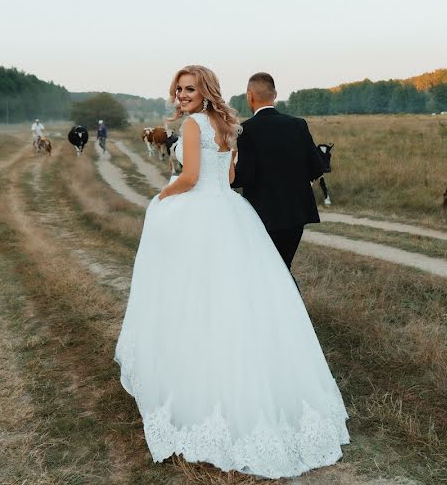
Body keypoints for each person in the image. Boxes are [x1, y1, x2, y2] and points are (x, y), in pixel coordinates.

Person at [114, 65, 348, 479]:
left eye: (189, 89)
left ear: (204, 92)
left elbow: (188, 177)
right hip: (231, 213)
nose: (182, 95)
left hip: (202, 214)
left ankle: (202, 394)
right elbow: (229, 175)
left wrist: (161, 196)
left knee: (195, 299)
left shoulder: (191, 125)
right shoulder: (226, 125)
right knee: (242, 300)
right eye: (179, 89)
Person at [231, 72, 325, 269]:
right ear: (275, 95)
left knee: (269, 272)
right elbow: (317, 166)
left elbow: (244, 177)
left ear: (250, 96)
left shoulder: (246, 130)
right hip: (297, 214)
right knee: (283, 268)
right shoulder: (298, 124)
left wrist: (229, 166)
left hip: (264, 215)